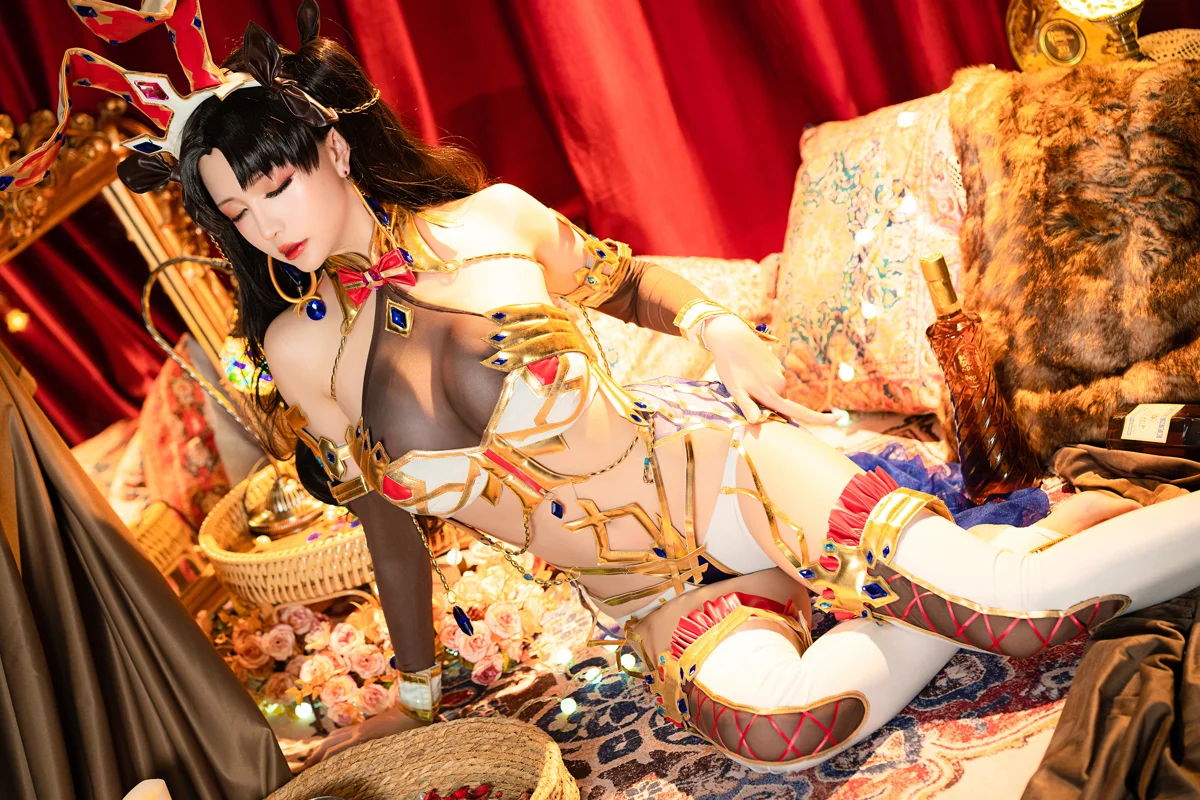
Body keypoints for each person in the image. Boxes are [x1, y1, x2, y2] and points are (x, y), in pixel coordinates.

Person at [9, 0, 1199, 775]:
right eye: (235, 210)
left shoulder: (492, 219)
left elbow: (635, 285)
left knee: (1025, 614)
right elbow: (389, 527)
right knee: (787, 730)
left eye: (275, 186)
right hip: (641, 595)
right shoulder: (297, 352)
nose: (267, 225)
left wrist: (721, 327)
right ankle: (946, 575)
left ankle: (982, 578)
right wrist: (418, 689)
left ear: (330, 148)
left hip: (724, 489)